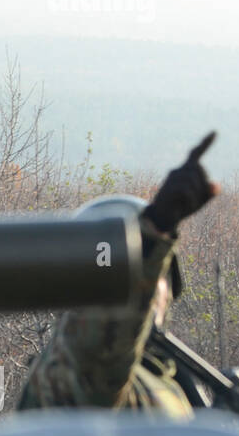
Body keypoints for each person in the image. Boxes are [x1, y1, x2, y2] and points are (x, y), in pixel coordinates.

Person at [17, 132, 219, 417]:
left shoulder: (167, 378)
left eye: (149, 276)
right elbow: (98, 350)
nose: (144, 288)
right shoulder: (64, 376)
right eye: (132, 274)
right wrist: (152, 234)